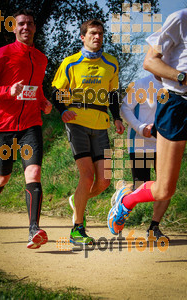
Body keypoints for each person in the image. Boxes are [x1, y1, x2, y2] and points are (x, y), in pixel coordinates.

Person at [107, 8, 187, 236]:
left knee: (166, 189)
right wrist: (182, 77)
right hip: (173, 111)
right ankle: (126, 201)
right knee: (162, 188)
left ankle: (154, 228)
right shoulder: (180, 19)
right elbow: (149, 62)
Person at [52, 19, 125, 245]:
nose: (97, 37)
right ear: (82, 37)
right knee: (87, 175)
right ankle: (77, 229)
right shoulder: (70, 62)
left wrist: (117, 118)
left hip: (101, 123)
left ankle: (77, 199)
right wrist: (63, 111)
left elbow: (113, 94)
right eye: (92, 33)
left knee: (103, 181)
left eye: (100, 34)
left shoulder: (111, 63)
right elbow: (56, 90)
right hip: (77, 121)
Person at [0, 9, 52, 249]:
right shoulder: (2, 54)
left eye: (30, 24)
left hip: (31, 125)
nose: (26, 27)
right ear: (14, 28)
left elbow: (36, 89)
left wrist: (43, 102)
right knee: (3, 176)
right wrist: (7, 91)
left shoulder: (41, 58)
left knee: (33, 173)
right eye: (21, 24)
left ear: (35, 28)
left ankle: (33, 230)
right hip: (3, 125)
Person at [120, 74, 170, 240]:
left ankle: (154, 227)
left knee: (166, 186)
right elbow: (125, 108)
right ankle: (122, 199)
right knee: (141, 186)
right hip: (141, 142)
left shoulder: (177, 86)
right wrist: (141, 128)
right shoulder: (142, 83)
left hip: (165, 142)